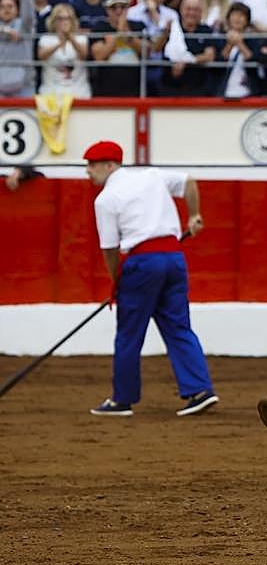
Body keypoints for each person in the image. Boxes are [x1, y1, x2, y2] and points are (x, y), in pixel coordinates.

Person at [84, 140, 219, 417]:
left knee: (129, 335)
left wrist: (116, 283)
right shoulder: (152, 175)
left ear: (110, 165)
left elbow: (109, 248)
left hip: (141, 264)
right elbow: (189, 182)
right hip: (174, 260)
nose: (88, 171)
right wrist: (194, 215)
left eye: (93, 165)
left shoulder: (105, 199)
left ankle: (122, 400)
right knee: (179, 327)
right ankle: (200, 390)